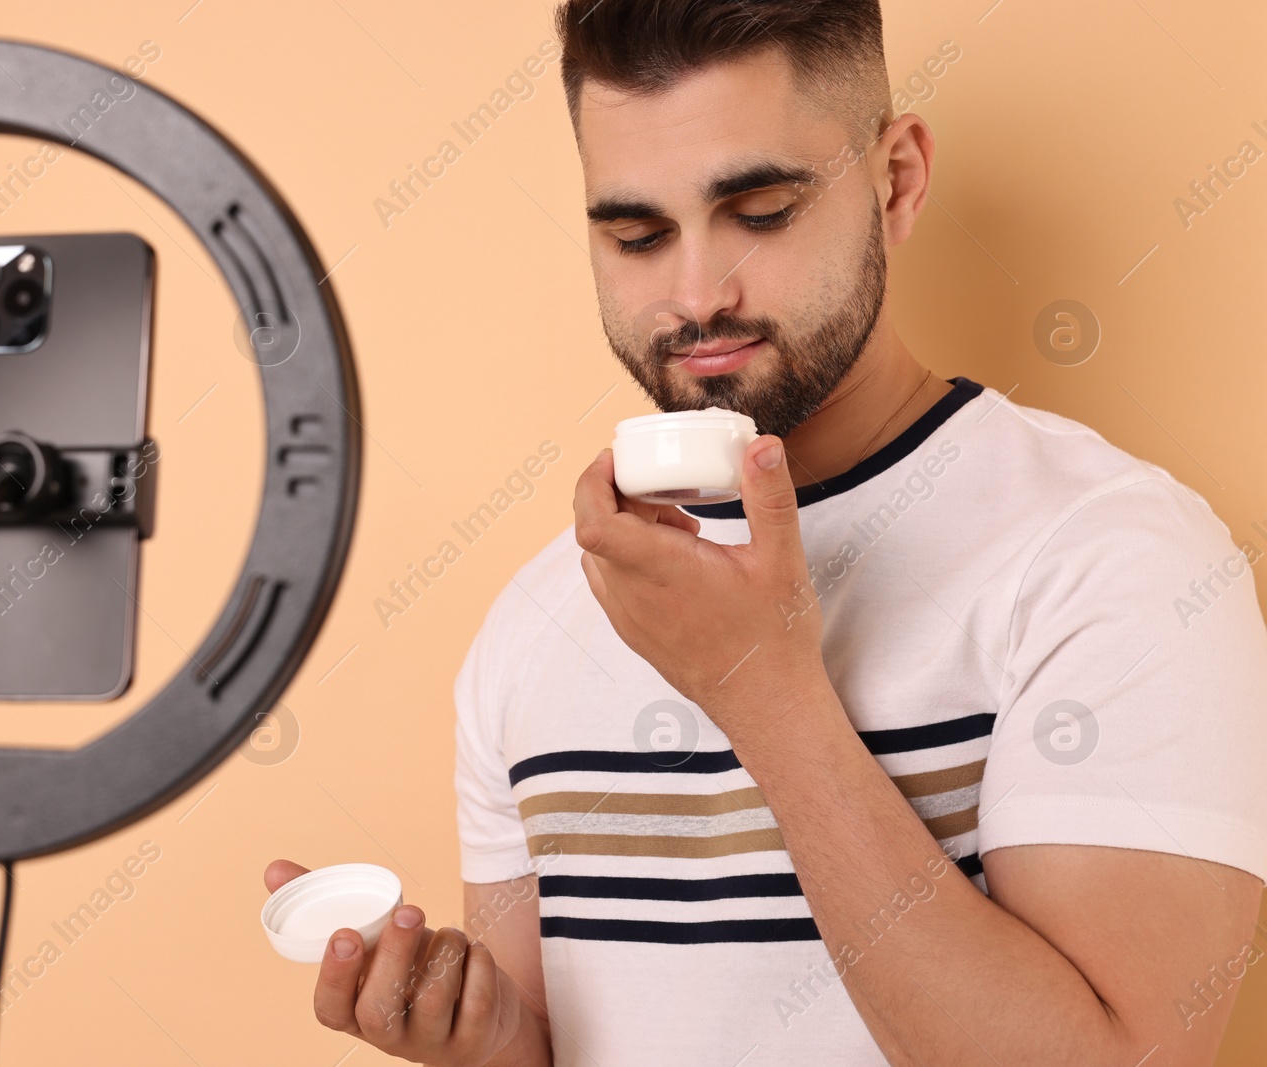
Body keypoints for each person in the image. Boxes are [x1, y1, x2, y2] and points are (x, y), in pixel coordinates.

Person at [266, 2, 1267, 1063]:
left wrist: (761, 688)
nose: (696, 295)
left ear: (897, 179)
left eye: (760, 210)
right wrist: (497, 1043)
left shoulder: (1113, 561)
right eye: (636, 234)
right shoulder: (534, 621)